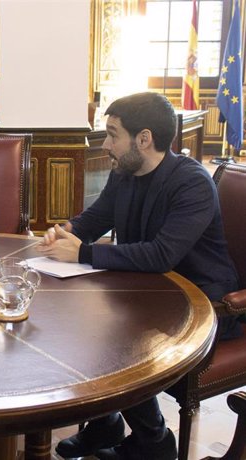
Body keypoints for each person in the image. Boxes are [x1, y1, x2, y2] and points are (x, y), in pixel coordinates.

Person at [37, 92, 242, 460]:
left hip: (203, 306)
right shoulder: (126, 174)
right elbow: (95, 219)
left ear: (143, 139)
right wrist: (65, 231)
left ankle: (155, 443)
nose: (106, 144)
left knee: (118, 339)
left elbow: (162, 254)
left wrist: (82, 252)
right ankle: (106, 423)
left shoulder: (191, 183)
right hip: (147, 293)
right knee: (76, 321)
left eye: (113, 134)